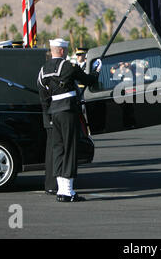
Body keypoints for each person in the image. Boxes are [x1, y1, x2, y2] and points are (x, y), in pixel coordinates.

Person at [37, 38, 101, 202]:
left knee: (58, 150)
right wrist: (96, 71)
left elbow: (43, 97)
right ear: (62, 51)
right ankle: (68, 192)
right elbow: (88, 80)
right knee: (70, 149)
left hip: (54, 113)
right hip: (67, 111)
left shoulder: (43, 70)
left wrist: (48, 118)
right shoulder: (68, 66)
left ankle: (61, 189)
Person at [37, 49, 57, 195]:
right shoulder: (49, 74)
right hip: (53, 115)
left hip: (49, 115)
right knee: (55, 151)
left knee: (52, 151)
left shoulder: (42, 73)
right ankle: (54, 184)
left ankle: (52, 184)